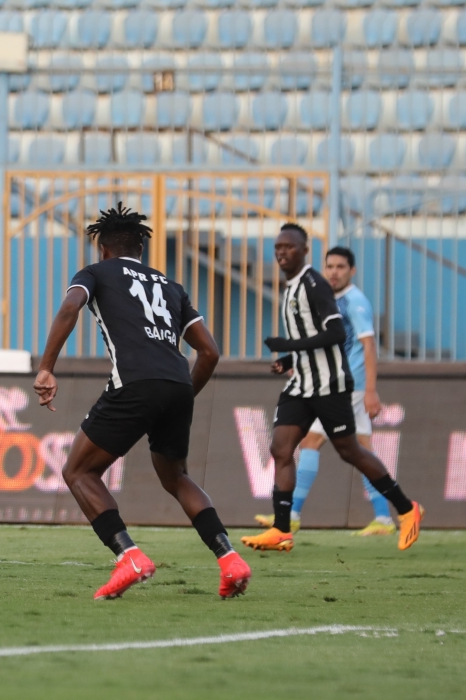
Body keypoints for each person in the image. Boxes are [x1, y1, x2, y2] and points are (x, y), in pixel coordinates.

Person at [33, 203, 251, 600]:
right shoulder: (171, 286)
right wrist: (181, 394)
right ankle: (230, 559)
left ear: (103, 249)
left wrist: (47, 368)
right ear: (141, 250)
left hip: (134, 383)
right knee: (176, 477)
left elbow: (70, 307)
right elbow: (210, 353)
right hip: (177, 383)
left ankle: (129, 556)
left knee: (78, 472)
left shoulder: (95, 273)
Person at [241, 224, 422, 554]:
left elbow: (336, 333)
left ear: (304, 250)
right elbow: (313, 336)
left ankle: (407, 509)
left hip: (330, 386)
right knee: (282, 449)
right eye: (278, 246)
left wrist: (288, 343)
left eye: (289, 247)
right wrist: (288, 358)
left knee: (349, 450)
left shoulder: (315, 285)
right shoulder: (291, 287)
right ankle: (282, 528)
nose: (282, 252)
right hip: (301, 385)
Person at [255, 247, 395, 536]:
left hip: (347, 386)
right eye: (329, 266)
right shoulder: (332, 300)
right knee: (362, 448)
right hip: (338, 383)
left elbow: (368, 345)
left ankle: (291, 514)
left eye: (341, 266)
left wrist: (371, 390)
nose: (334, 271)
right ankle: (384, 518)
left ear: (352, 271)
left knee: (310, 443)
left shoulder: (354, 301)